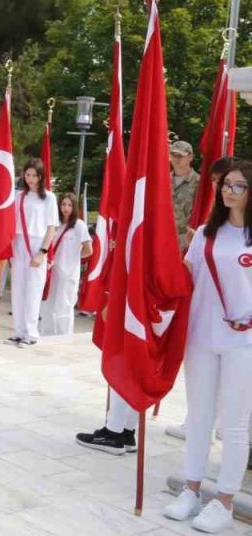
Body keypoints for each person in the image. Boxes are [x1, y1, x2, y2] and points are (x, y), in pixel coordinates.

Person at [163, 160, 252, 533]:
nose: (229, 191)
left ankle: (225, 500)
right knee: (198, 416)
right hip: (201, 335)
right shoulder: (205, 234)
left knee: (234, 424)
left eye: (239, 185)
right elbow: (185, 275)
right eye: (227, 185)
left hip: (242, 341)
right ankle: (192, 488)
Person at [171, 155, 238, 442]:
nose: (218, 188)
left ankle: (218, 423)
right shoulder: (209, 225)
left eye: (221, 182)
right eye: (216, 182)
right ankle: (204, 423)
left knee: (226, 381)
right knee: (208, 377)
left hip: (232, 318)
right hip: (207, 311)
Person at [7, 159, 59, 347]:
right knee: (18, 289)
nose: (30, 179)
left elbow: (51, 227)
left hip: (37, 243)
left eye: (34, 176)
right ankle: (19, 331)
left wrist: (42, 252)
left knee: (33, 290)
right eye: (27, 175)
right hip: (19, 242)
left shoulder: (49, 198)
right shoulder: (18, 196)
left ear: (40, 177)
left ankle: (31, 333)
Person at [38, 192, 92, 337]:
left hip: (68, 274)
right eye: (63, 204)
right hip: (52, 271)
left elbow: (88, 250)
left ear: (74, 207)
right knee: (48, 303)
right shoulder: (55, 225)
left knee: (65, 306)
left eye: (69, 205)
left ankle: (64, 335)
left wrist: (73, 258)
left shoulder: (79, 226)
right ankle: (46, 333)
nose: (65, 208)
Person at [172, 140, 199, 250]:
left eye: (180, 155)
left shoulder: (199, 183)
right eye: (173, 155)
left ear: (190, 157)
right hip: (163, 237)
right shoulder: (162, 181)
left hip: (188, 242)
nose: (176, 158)